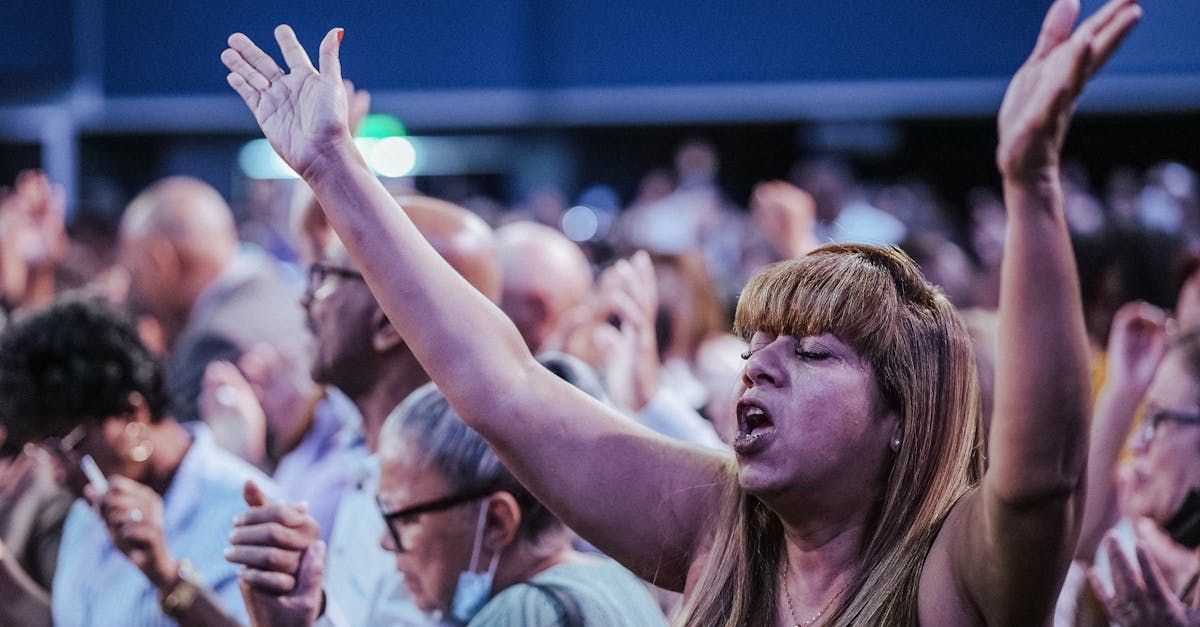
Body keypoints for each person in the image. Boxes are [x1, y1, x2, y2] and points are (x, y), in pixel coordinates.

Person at [220, 1, 1139, 623]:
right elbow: (498, 384)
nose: (761, 366)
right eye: (756, 343)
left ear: (904, 414)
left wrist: (1032, 184)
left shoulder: (949, 579)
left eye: (814, 353)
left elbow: (1041, 481)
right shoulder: (718, 525)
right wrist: (334, 167)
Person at [226, 195, 502, 626]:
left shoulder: (448, 504)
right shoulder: (370, 447)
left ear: (387, 323)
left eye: (325, 277)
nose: (306, 301)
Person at [0, 298, 275, 626]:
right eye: (42, 451)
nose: (57, 474)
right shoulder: (86, 514)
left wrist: (169, 579)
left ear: (132, 414)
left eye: (65, 445)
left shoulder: (242, 514)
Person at [375, 382, 666, 625]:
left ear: (496, 522)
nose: (385, 542)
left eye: (404, 519)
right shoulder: (614, 580)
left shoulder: (523, 613)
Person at [118, 176, 310, 424]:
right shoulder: (282, 289)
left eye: (133, 275)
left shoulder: (213, 341)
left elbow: (181, 457)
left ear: (160, 262)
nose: (129, 292)